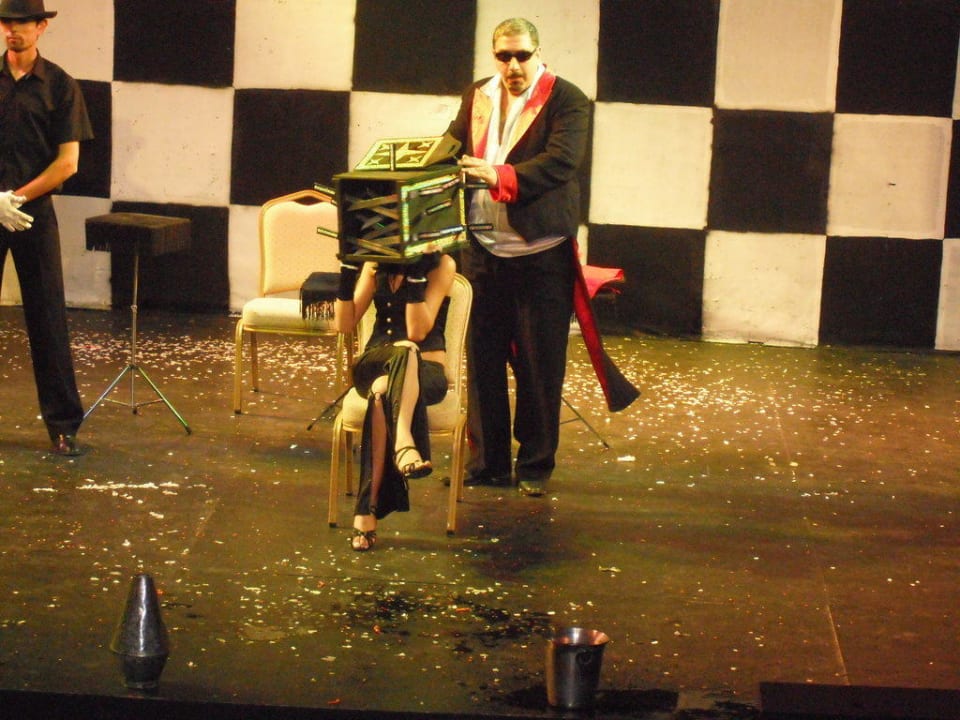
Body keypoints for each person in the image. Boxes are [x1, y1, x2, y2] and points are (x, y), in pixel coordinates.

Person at [446, 17, 590, 497]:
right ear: (494, 56)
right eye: (504, 56)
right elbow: (451, 146)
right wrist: (414, 165)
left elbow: (561, 162)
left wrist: (499, 176)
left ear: (537, 53)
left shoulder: (566, 98)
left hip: (540, 254)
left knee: (539, 365)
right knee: (482, 361)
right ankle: (487, 463)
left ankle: (535, 465)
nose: (513, 65)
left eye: (522, 56)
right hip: (483, 250)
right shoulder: (478, 95)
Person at [0, 0, 92, 456]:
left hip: (31, 212)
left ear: (40, 27)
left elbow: (67, 163)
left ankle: (63, 426)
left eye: (21, 23)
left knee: (47, 317)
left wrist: (16, 198)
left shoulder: (59, 85)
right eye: (5, 22)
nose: (11, 30)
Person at [334, 248, 456, 551]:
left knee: (387, 383)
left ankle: (366, 510)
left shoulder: (442, 265)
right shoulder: (375, 265)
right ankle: (404, 442)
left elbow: (417, 332)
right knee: (401, 354)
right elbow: (344, 324)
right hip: (375, 362)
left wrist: (415, 274)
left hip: (425, 370)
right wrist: (347, 274)